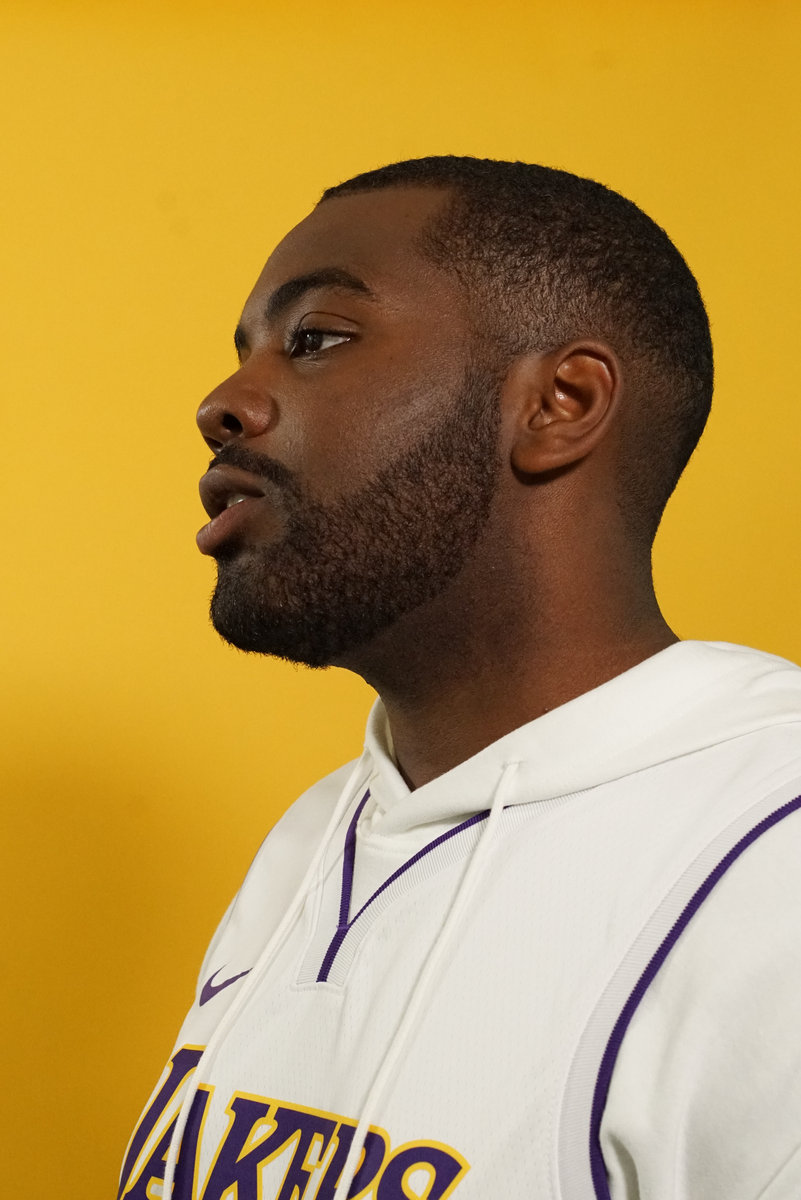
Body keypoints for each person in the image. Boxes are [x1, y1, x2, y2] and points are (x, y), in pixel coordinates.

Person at [118, 157, 801, 1200]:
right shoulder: (317, 834)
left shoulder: (772, 870)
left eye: (316, 340)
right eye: (244, 352)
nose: (224, 404)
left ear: (560, 404)